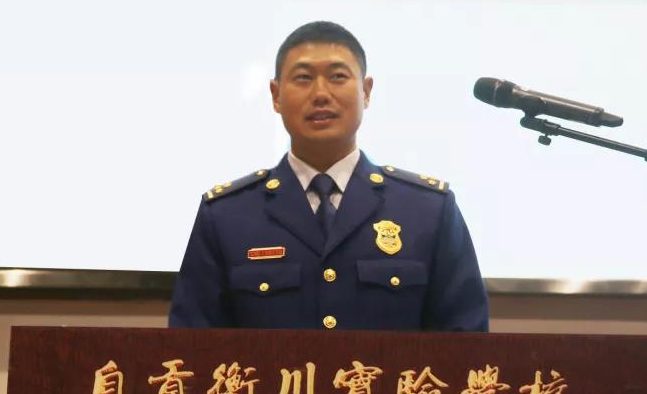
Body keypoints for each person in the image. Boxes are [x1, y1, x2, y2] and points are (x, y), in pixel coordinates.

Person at [169, 22, 488, 331]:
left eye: (338, 77)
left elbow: (465, 344)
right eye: (303, 78)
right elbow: (193, 347)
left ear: (366, 91)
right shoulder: (226, 215)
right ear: (276, 95)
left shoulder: (428, 210)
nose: (320, 94)